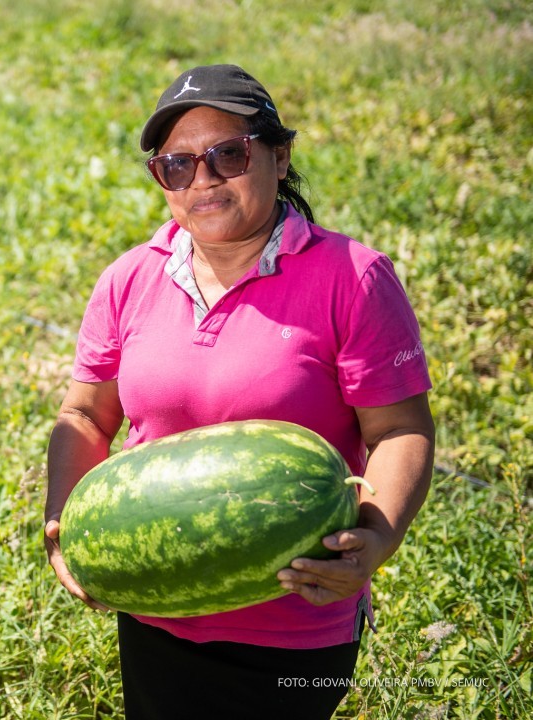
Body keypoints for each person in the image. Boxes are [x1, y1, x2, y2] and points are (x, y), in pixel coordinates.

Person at [44, 64, 434, 719]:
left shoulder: (352, 278)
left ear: (278, 158)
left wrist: (377, 536)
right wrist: (61, 531)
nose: (202, 180)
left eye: (228, 155)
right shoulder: (128, 279)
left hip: (294, 631)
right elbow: (85, 414)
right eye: (176, 166)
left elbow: (398, 430)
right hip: (155, 611)